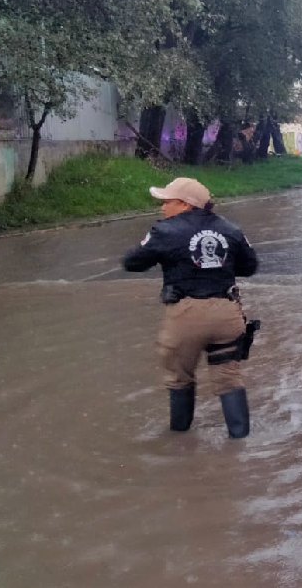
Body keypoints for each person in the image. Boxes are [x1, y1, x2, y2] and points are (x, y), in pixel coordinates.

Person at [122, 177, 259, 438]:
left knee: (179, 377)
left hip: (185, 315)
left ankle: (178, 443)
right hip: (227, 313)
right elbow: (249, 267)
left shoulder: (165, 230)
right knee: (229, 377)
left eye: (167, 202)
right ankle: (239, 442)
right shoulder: (231, 229)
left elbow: (132, 263)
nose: (162, 207)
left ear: (185, 204)